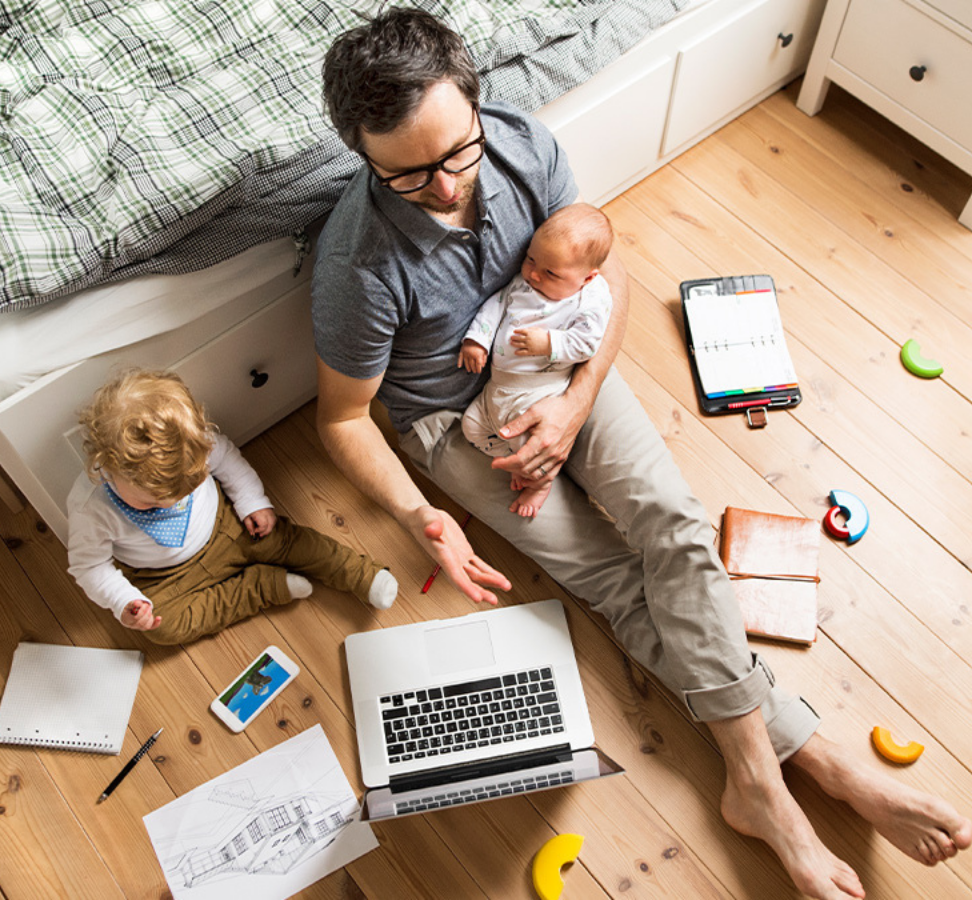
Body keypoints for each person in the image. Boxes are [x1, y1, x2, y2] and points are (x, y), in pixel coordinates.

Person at [311, 8, 970, 899]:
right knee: (615, 578)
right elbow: (343, 419)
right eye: (407, 173)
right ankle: (801, 768)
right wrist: (423, 515)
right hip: (456, 418)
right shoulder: (355, 266)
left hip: (557, 362)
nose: (443, 187)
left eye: (455, 153)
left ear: (475, 107)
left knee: (676, 526)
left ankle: (764, 782)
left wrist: (576, 408)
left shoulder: (518, 144)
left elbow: (606, 272)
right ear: (362, 155)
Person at [67, 368, 397, 645]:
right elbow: (90, 567)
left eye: (188, 488)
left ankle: (361, 574)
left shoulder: (194, 441)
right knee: (163, 628)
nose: (175, 503)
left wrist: (252, 502)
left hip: (230, 526)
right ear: (106, 465)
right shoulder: (91, 506)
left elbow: (229, 464)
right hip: (163, 576)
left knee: (290, 540)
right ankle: (261, 587)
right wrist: (125, 602)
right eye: (152, 502)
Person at [458, 203, 613, 517]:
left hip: (536, 392)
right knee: (471, 426)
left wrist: (549, 343)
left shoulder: (590, 299)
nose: (532, 274)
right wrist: (477, 339)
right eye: (530, 258)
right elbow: (497, 305)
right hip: (497, 388)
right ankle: (519, 460)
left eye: (551, 273)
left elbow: (587, 343)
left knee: (532, 443)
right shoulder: (524, 281)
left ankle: (540, 482)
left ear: (587, 278)